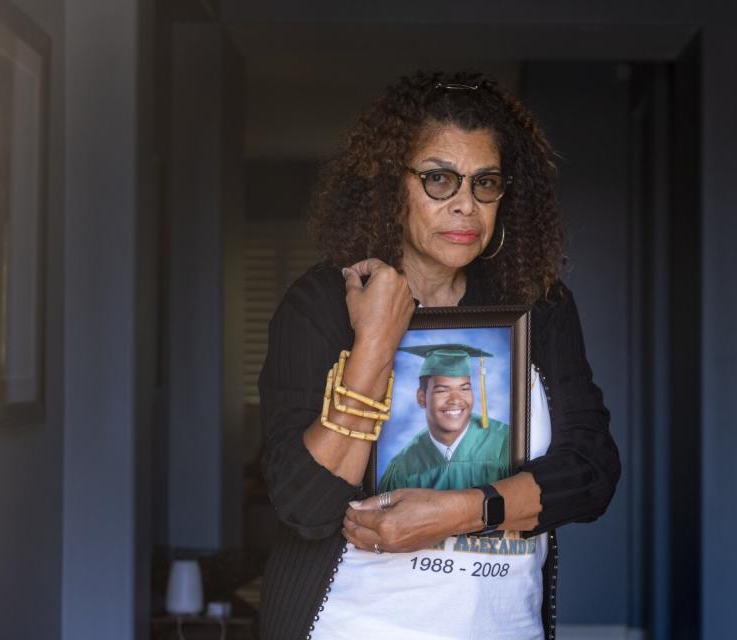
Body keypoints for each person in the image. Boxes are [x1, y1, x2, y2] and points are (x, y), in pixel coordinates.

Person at [258, 71, 620, 640]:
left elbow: (593, 471)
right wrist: (375, 341)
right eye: (438, 180)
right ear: (387, 186)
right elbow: (305, 506)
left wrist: (457, 513)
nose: (466, 206)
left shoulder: (540, 307)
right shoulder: (320, 306)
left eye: (485, 183)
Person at [378, 344, 510, 493]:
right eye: (442, 390)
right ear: (422, 398)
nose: (455, 400)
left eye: (464, 388)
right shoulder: (403, 467)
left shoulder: (504, 443)